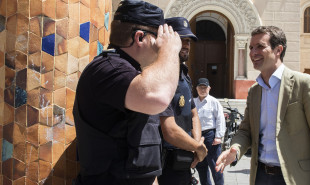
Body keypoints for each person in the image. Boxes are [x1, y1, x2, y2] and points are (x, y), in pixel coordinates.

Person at [72, 1, 182, 185]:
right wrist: (170, 50)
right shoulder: (108, 70)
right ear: (139, 37)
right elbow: (158, 98)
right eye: (160, 37)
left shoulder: (135, 75)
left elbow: (144, 153)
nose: (163, 44)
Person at [215, 26, 310, 185]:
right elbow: (246, 131)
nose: (253, 52)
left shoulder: (305, 85)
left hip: (294, 178)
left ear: (278, 50)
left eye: (260, 46)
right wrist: (235, 149)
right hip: (260, 176)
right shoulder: (255, 91)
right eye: (251, 47)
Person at [157, 17, 208, 185]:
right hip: (166, 163)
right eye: (181, 39)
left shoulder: (184, 74)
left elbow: (193, 114)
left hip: (185, 159)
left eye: (189, 41)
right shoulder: (159, 74)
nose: (186, 44)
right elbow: (169, 130)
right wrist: (198, 148)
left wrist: (196, 143)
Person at [194, 78, 226, 185]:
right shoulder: (193, 102)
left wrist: (218, 136)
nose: (202, 90)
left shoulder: (214, 102)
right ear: (196, 89)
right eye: (200, 87)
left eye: (205, 87)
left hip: (210, 136)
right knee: (201, 166)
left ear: (209, 88)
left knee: (215, 166)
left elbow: (220, 119)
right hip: (197, 137)